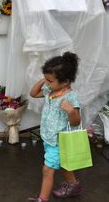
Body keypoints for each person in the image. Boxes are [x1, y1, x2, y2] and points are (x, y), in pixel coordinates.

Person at [29, 52, 82, 202]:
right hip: (49, 137)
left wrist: (71, 111)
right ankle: (73, 186)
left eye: (50, 81)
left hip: (60, 140)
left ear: (65, 82)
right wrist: (43, 81)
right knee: (64, 164)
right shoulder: (50, 90)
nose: (47, 83)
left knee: (47, 170)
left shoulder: (70, 97)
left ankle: (42, 199)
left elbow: (76, 121)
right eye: (46, 79)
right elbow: (33, 93)